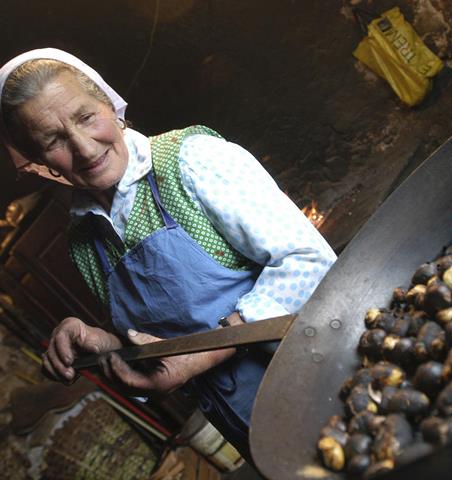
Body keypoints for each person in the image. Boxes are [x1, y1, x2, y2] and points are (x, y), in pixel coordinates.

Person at [0, 48, 336, 462]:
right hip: (251, 431)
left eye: (86, 117)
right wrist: (102, 343)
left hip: (325, 385)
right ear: (36, 161)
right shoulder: (84, 242)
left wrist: (201, 356)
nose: (85, 150)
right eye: (53, 141)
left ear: (108, 102)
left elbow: (308, 262)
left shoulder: (190, 161)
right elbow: (158, 344)